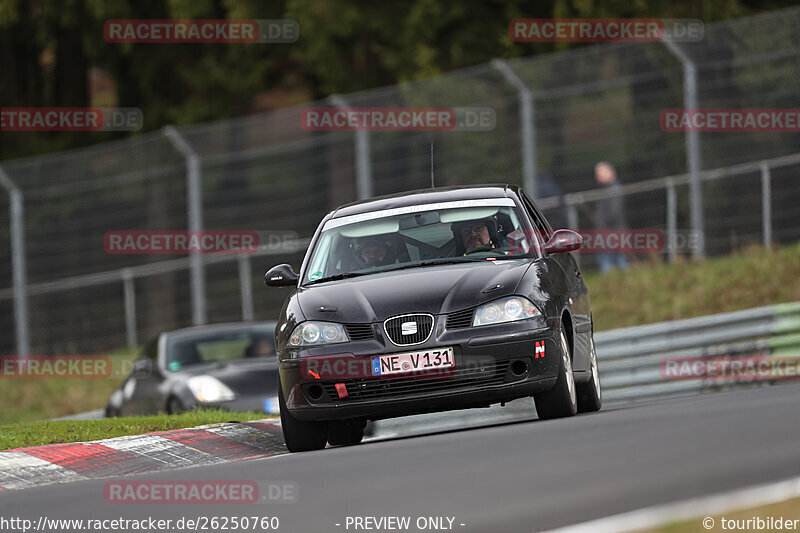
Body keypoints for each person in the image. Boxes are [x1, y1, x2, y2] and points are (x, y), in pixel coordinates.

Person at [594, 161, 629, 274]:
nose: (597, 176)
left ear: (610, 172)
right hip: (609, 232)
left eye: (600, 172)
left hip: (612, 232)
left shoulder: (613, 189)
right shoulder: (606, 189)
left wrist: (602, 221)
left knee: (614, 260)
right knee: (616, 259)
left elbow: (615, 212)